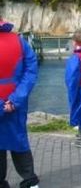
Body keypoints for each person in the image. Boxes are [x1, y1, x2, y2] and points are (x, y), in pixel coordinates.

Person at [0, 18, 40, 188]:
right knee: (19, 141)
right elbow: (31, 72)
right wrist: (15, 100)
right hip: (15, 103)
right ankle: (30, 181)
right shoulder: (19, 41)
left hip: (8, 102)